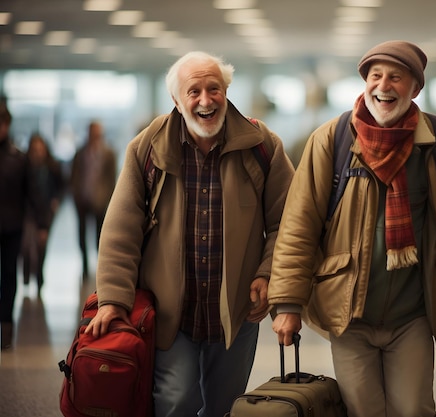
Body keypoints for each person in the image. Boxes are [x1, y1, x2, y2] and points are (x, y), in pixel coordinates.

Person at [268, 40, 436, 417]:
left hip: (414, 314)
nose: (383, 85)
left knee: (414, 409)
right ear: (364, 82)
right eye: (375, 76)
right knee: (362, 411)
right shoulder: (333, 139)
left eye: (396, 77)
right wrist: (288, 303)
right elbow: (298, 226)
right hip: (349, 315)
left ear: (415, 88)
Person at [84, 51, 294, 417]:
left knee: (223, 406)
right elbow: (121, 230)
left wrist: (267, 273)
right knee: (176, 400)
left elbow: (288, 222)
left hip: (238, 309)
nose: (205, 99)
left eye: (214, 89)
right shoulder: (147, 148)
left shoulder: (262, 145)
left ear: (226, 93)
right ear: (177, 101)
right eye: (193, 91)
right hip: (169, 312)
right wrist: (113, 300)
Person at [70, 120, 117, 279]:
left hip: (100, 200)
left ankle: (99, 266)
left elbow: (111, 178)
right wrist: (76, 194)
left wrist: (108, 198)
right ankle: (84, 266)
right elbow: (75, 175)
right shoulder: (81, 152)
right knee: (82, 234)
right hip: (83, 199)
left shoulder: (108, 153)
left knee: (100, 235)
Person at [0, 104, 29, 349]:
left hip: (11, 226)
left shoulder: (18, 158)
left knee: (9, 274)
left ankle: (6, 325)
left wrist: (40, 223)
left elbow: (29, 192)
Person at [21, 133, 65, 295]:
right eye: (35, 150)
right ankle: (26, 275)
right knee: (26, 246)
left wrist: (55, 200)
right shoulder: (25, 167)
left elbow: (61, 186)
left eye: (40, 149)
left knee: (41, 245)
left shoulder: (52, 167)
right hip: (29, 212)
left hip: (46, 212)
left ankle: (39, 277)